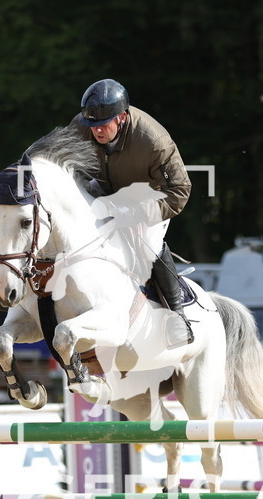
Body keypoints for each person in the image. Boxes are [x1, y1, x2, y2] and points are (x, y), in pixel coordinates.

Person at [73, 78, 194, 346]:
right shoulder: (84, 125)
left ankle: (177, 315)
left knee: (150, 244)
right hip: (102, 191)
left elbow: (179, 191)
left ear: (123, 118)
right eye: (93, 126)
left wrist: (136, 214)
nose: (97, 131)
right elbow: (52, 151)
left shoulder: (154, 141)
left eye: (104, 125)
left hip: (148, 199)